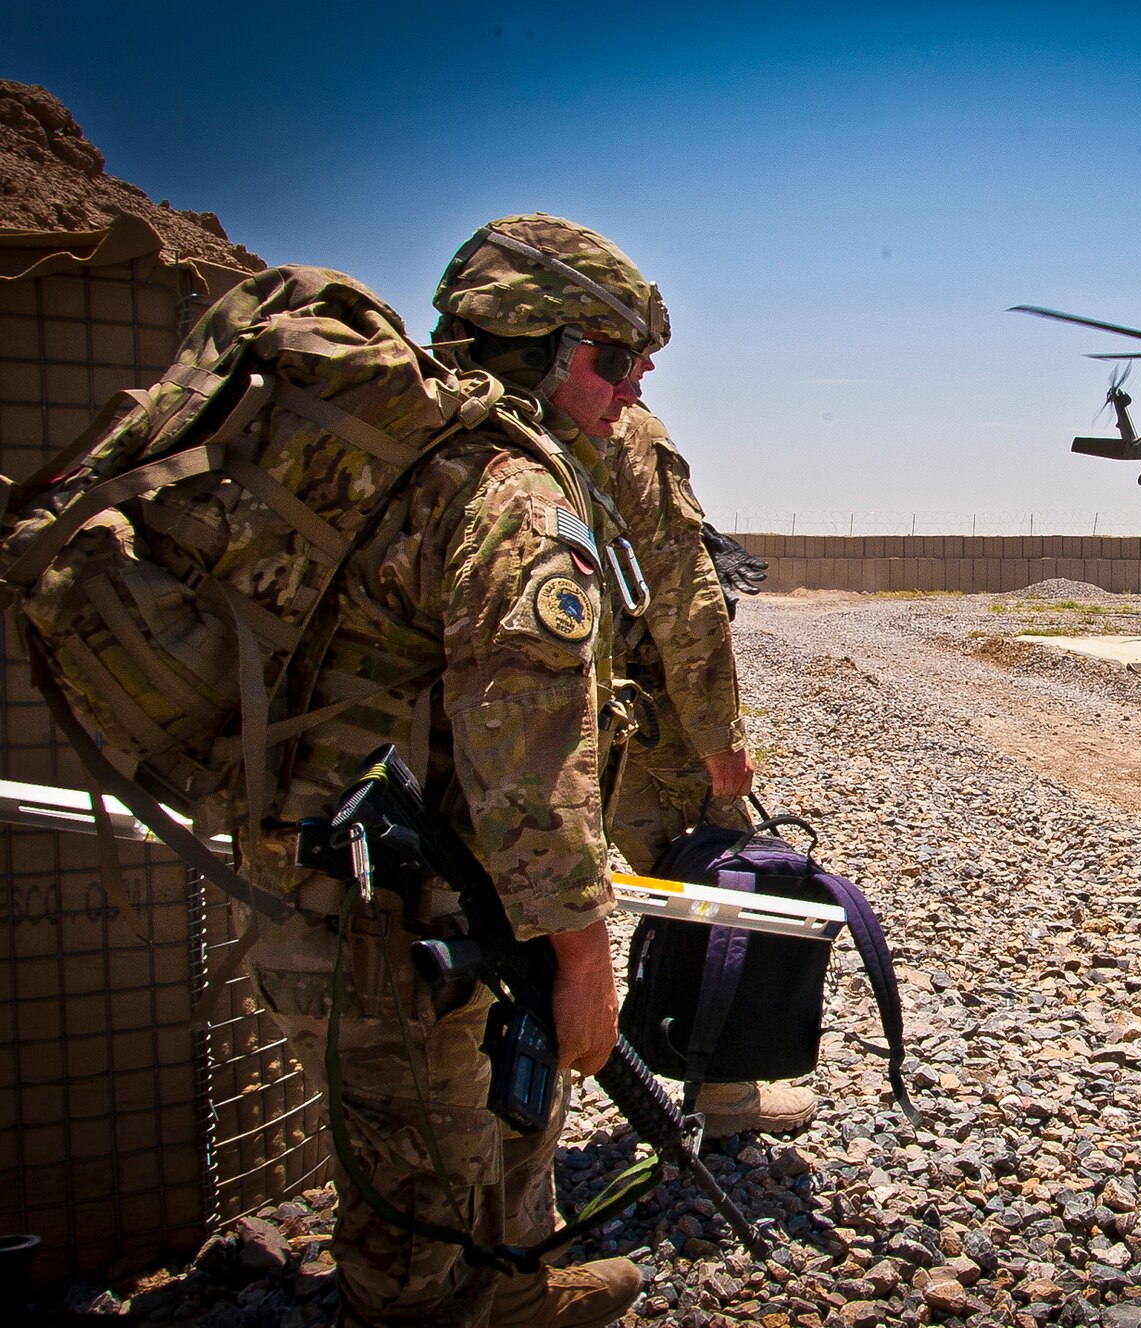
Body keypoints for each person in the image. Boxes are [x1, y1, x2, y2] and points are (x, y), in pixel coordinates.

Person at [244, 214, 667, 1328]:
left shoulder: (400, 461)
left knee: (493, 1120)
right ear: (543, 345)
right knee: (417, 1202)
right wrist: (584, 960)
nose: (630, 391)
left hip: (369, 887)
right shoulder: (508, 496)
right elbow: (524, 762)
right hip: (389, 918)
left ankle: (514, 1292)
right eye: (616, 359)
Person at [601, 402, 817, 1133]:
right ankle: (723, 1091)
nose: (641, 373)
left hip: (511, 715)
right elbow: (687, 601)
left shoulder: (466, 414)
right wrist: (721, 740)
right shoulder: (622, 434)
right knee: (708, 876)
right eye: (622, 351)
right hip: (634, 721)